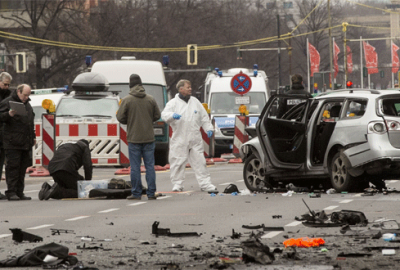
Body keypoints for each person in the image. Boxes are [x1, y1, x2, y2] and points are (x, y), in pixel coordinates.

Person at [161, 79, 217, 192]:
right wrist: (172, 115)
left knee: (200, 162)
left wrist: (209, 128)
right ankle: (177, 184)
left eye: (190, 87)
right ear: (181, 89)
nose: (190, 89)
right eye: (188, 87)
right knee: (177, 161)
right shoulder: (173, 103)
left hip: (195, 138)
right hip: (179, 138)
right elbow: (164, 115)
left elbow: (204, 117)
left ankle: (205, 184)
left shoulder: (195, 102)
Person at [117, 74, 161, 200]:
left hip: (134, 138)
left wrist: (129, 120)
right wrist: (148, 119)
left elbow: (120, 117)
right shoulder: (150, 99)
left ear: (130, 85)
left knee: (135, 167)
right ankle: (151, 193)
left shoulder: (127, 100)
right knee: (150, 166)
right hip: (149, 137)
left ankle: (136, 193)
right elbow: (157, 115)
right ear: (141, 84)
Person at [0, 84, 35, 201]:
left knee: (22, 168)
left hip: (24, 142)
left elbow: (30, 122)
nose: (26, 97)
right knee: (13, 168)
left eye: (28, 95)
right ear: (19, 92)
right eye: (25, 95)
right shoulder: (7, 102)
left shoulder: (27, 105)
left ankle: (20, 192)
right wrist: (8, 115)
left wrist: (33, 136)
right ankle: (11, 192)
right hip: (12, 142)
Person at [0, 72, 12, 200]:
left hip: (3, 135)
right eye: (4, 84)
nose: (6, 87)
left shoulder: (9, 96)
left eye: (8, 85)